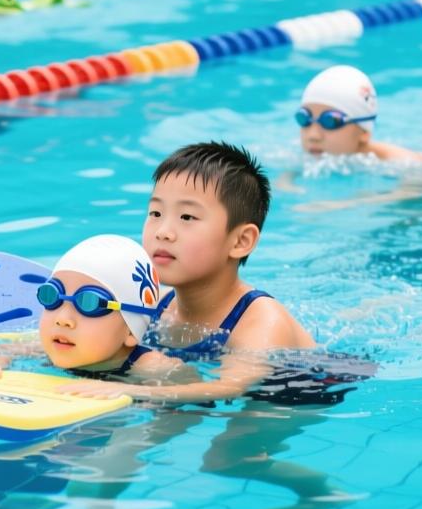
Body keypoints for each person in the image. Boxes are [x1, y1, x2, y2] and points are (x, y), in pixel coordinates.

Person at [59, 141, 317, 404]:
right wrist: (19, 349)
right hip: (201, 378)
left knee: (240, 436)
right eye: (156, 212)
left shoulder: (260, 320)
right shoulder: (156, 301)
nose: (163, 231)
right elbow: (93, 336)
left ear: (240, 241)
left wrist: (130, 391)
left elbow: (230, 387)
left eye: (187, 217)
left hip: (296, 391)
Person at [0, 233, 190, 382]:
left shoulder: (153, 367)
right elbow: (7, 348)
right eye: (52, 296)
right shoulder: (49, 344)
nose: (63, 319)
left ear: (130, 332)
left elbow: (195, 393)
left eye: (90, 303)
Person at [296, 65, 422, 162]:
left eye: (331, 121)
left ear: (364, 132)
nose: (313, 135)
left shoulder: (401, 161)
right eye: (304, 119)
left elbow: (413, 191)